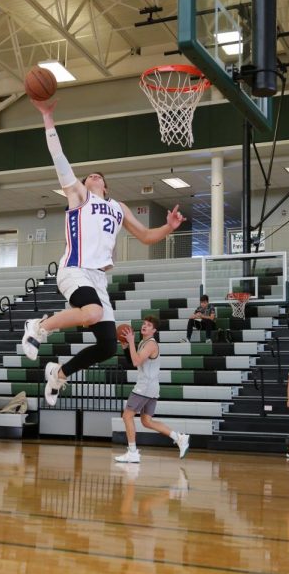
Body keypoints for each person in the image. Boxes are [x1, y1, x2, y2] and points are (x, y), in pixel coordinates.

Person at [22, 98, 187, 406]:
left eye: (99, 176)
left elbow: (146, 236)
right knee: (93, 313)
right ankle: (38, 327)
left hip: (98, 278)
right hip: (74, 269)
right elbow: (58, 157)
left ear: (107, 188)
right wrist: (47, 117)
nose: (94, 176)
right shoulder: (79, 195)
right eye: (90, 175)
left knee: (108, 346)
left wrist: (168, 228)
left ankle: (59, 373)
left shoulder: (118, 207)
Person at [114, 317, 190, 464]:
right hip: (151, 386)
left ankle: (132, 452)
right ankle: (179, 437)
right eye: (144, 324)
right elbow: (133, 361)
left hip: (145, 386)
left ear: (154, 330)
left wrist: (130, 342)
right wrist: (125, 346)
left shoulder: (150, 344)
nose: (144, 326)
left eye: (149, 325)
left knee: (127, 416)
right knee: (146, 421)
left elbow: (136, 361)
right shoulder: (143, 343)